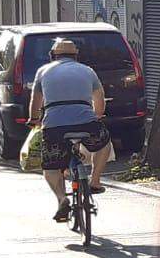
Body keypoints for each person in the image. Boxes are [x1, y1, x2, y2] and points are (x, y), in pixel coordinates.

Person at [28, 38, 113, 222]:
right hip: (86, 123)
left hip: (54, 126)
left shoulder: (43, 71)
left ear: (53, 55)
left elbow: (35, 101)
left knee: (51, 165)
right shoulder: (87, 70)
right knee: (104, 143)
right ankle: (95, 180)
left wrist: (34, 120)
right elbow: (99, 98)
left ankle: (61, 199)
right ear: (76, 56)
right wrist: (98, 115)